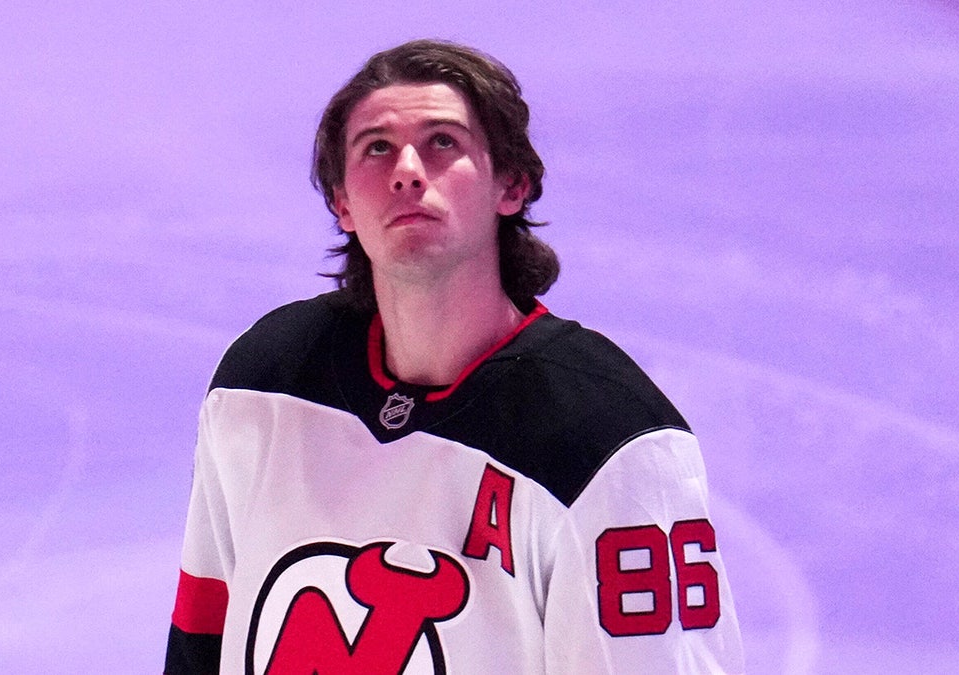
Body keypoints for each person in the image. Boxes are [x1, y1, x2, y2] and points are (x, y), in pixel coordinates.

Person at [165, 39, 744, 674]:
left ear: (512, 186)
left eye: (443, 142)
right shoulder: (264, 382)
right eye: (377, 147)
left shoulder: (608, 438)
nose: (407, 169)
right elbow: (202, 636)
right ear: (342, 204)